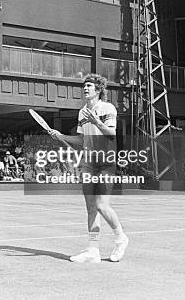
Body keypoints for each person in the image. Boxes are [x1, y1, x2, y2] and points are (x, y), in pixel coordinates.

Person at [48, 73, 129, 263]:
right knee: (91, 207)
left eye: (90, 86)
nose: (85, 88)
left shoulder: (108, 108)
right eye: (84, 86)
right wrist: (61, 136)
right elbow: (81, 139)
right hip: (89, 163)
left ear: (99, 90)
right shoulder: (82, 112)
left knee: (102, 205)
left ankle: (121, 238)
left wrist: (97, 122)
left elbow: (111, 133)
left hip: (106, 162)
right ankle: (93, 250)